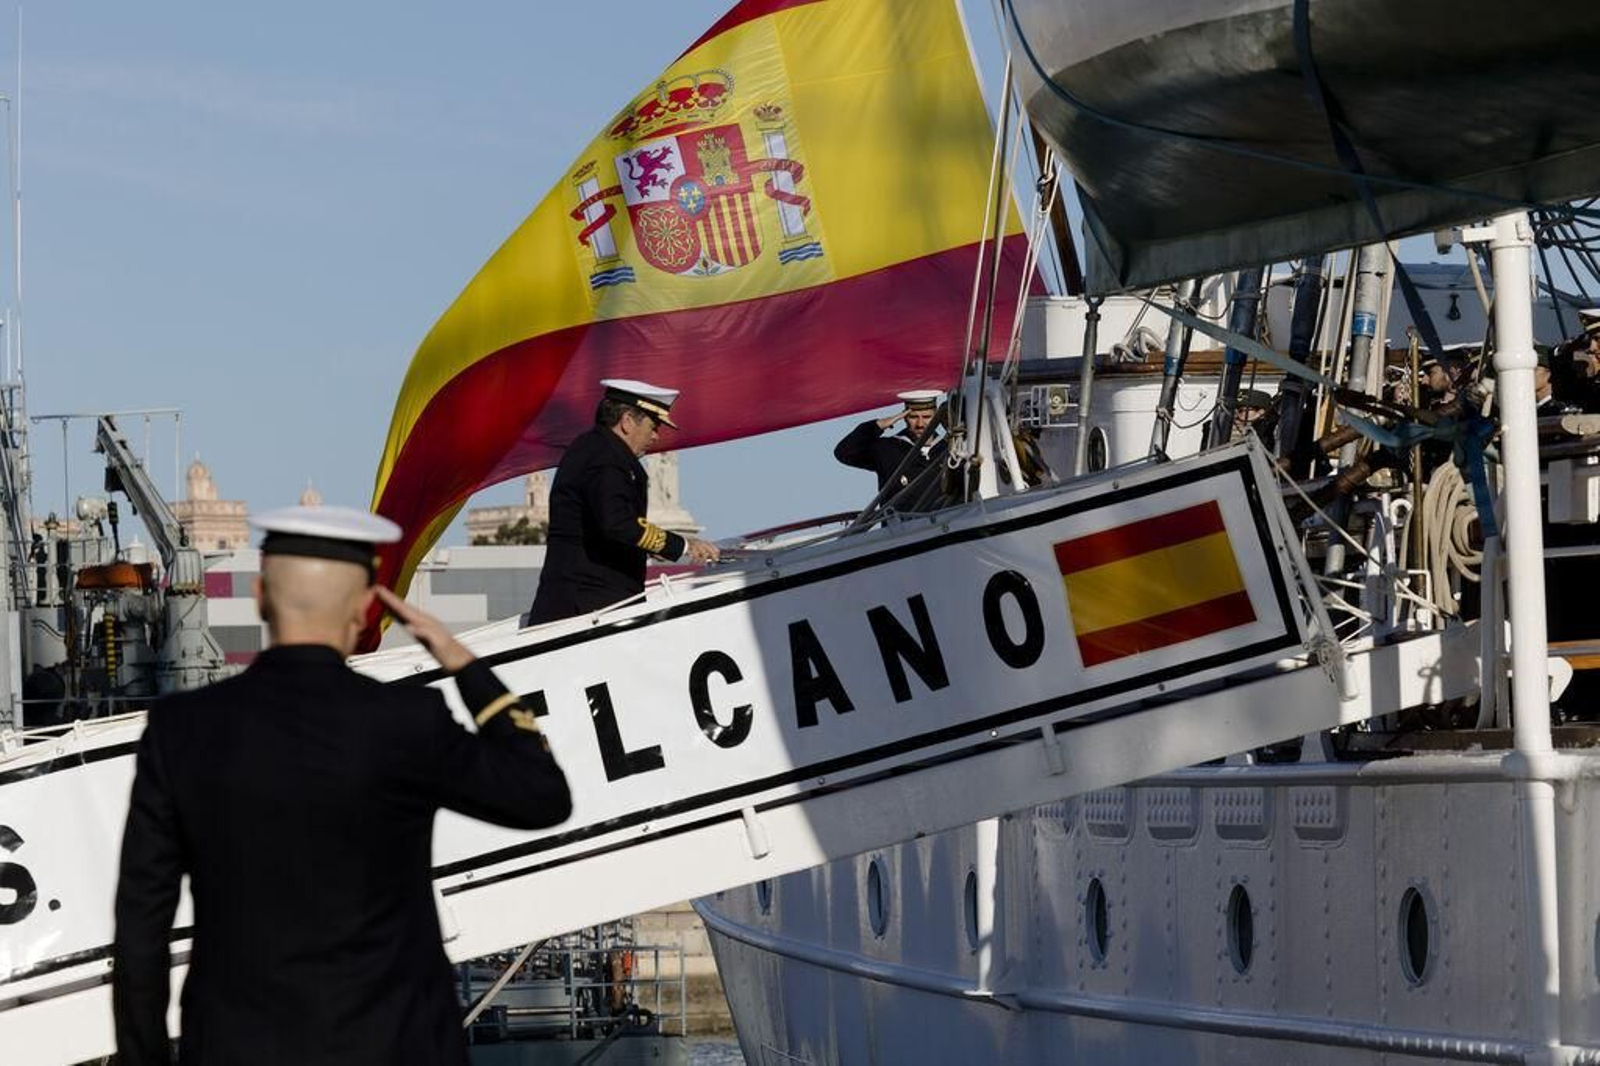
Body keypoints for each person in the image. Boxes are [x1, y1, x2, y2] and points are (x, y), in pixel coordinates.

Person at [112, 504, 572, 1066]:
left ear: (261, 595)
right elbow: (542, 795)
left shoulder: (181, 731)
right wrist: (459, 659)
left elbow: (141, 930)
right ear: (362, 611)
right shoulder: (408, 722)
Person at [527, 379, 719, 624]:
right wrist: (683, 546)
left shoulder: (597, 449)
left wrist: (653, 546)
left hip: (592, 605)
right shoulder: (605, 458)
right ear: (627, 421)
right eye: (653, 426)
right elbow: (619, 523)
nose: (655, 436)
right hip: (590, 609)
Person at [833, 389, 946, 496]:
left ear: (937, 417)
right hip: (902, 515)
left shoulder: (950, 448)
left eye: (926, 417)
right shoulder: (888, 448)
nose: (920, 424)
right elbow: (844, 452)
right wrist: (878, 425)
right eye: (913, 417)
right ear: (904, 417)